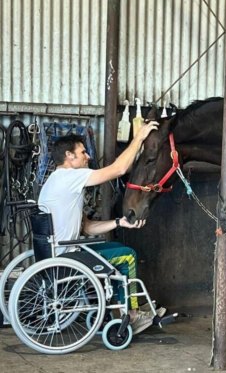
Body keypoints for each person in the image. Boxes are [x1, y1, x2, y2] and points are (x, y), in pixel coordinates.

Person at [38, 121, 164, 335]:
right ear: (69, 156)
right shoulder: (69, 176)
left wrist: (118, 222)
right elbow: (119, 169)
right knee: (127, 255)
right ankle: (131, 314)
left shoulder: (54, 181)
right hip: (67, 255)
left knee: (114, 246)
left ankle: (124, 307)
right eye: (82, 152)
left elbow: (87, 227)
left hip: (59, 251)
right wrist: (140, 137)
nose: (87, 156)